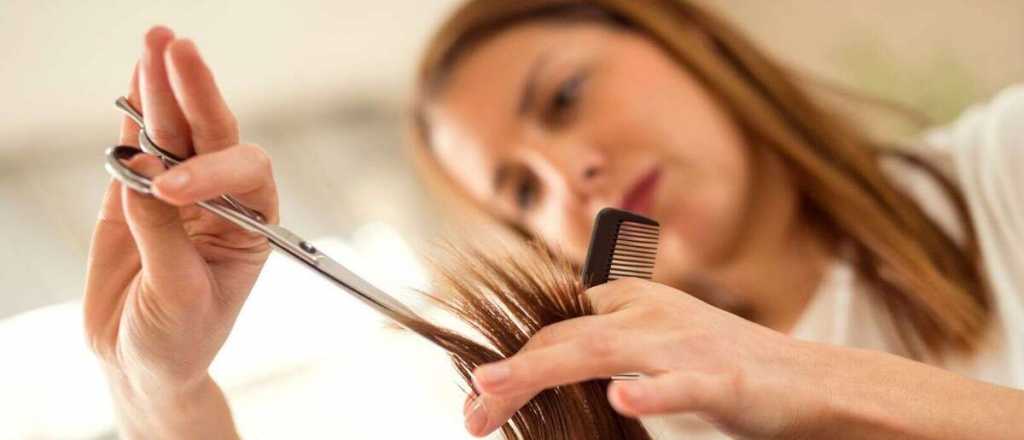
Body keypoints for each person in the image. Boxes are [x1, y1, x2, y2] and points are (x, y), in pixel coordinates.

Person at [83, 0, 1024, 438]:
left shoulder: (1005, 164)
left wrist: (808, 374)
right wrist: (161, 389)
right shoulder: (650, 418)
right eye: (522, 193)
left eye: (566, 96)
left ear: (680, 34)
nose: (570, 179)